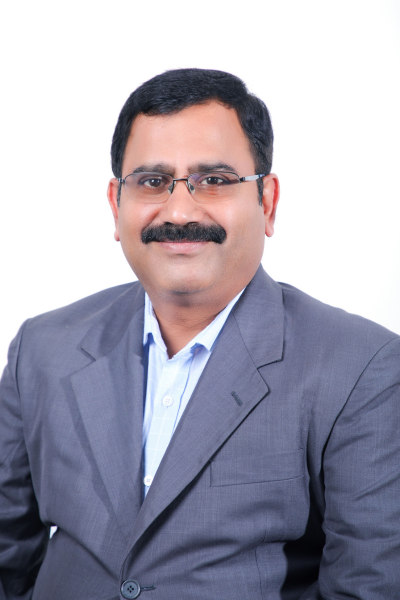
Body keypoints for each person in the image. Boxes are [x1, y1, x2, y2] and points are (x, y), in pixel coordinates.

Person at [0, 68, 399, 600]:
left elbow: (368, 587)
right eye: (152, 181)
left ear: (268, 201)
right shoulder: (41, 349)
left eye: (214, 180)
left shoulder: (361, 368)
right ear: (116, 205)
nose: (181, 210)